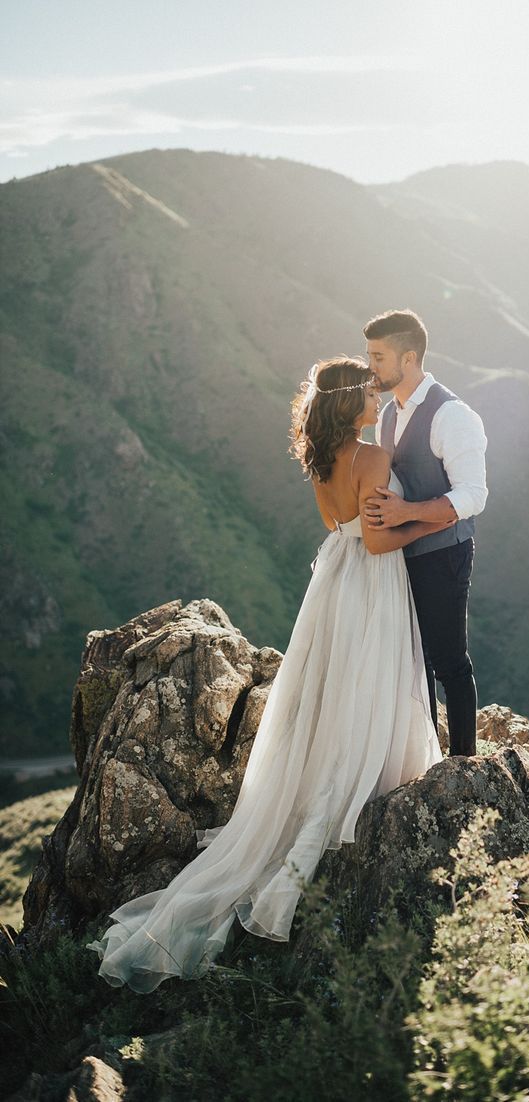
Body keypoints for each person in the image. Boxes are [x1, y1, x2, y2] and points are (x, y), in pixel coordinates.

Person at [86, 356, 446, 993]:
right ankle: (352, 790)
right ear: (345, 403)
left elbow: (340, 529)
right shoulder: (371, 457)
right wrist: (434, 514)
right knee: (365, 685)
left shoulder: (324, 459)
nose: (377, 396)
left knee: (332, 689)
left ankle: (325, 782)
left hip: (334, 585)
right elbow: (381, 541)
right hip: (371, 585)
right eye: (368, 391)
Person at [362, 310, 488, 757]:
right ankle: (428, 756)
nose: (370, 366)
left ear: (408, 357)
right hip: (401, 553)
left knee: (449, 661)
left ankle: (463, 763)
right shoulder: (388, 415)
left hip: (444, 554)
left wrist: (404, 513)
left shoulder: (452, 415)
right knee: (414, 662)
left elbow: (473, 496)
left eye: (378, 357)